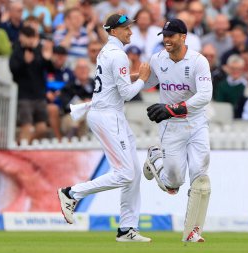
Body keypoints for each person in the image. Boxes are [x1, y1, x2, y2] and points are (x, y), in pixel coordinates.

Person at [57, 13, 152, 242]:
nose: (130, 31)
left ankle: (126, 229)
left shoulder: (107, 51)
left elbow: (112, 81)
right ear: (113, 31)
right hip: (108, 116)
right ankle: (71, 193)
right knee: (126, 173)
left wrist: (135, 75)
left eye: (130, 27)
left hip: (110, 114)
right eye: (126, 28)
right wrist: (143, 79)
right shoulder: (119, 55)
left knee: (134, 174)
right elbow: (127, 93)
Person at [143, 18, 212, 242]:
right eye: (164, 36)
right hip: (171, 127)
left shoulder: (198, 61)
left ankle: (192, 232)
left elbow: (204, 96)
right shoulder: (157, 59)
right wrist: (119, 82)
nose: (167, 40)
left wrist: (174, 108)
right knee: (173, 183)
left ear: (184, 37)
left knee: (201, 178)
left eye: (171, 36)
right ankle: (155, 158)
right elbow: (146, 81)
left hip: (196, 123)